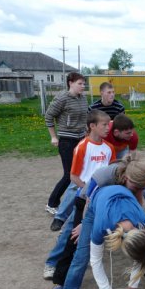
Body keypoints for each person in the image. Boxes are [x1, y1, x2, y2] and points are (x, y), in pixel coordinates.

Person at [45, 110, 116, 286]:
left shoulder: (109, 148)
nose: (108, 128)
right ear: (92, 126)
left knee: (97, 229)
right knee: (72, 232)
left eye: (109, 124)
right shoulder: (83, 147)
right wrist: (89, 191)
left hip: (101, 199)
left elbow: (112, 174)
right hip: (84, 197)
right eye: (104, 125)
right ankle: (52, 264)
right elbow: (74, 177)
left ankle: (91, 259)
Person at [44, 72, 88, 214]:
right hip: (67, 141)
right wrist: (53, 137)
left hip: (81, 139)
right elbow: (49, 116)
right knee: (70, 175)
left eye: (84, 83)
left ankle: (77, 201)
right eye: (80, 83)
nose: (83, 86)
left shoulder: (83, 98)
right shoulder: (62, 98)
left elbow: (85, 117)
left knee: (81, 172)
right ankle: (52, 203)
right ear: (70, 83)